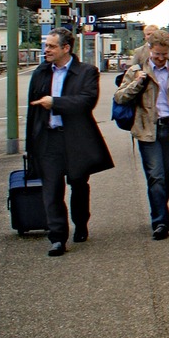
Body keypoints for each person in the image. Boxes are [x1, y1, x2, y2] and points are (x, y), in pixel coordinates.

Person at [25, 27, 114, 256]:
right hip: (48, 140)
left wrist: (55, 102)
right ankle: (57, 238)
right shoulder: (41, 73)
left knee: (78, 184)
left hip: (75, 139)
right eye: (46, 46)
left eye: (51, 46)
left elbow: (86, 101)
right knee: (51, 189)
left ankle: (81, 222)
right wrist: (31, 145)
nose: (46, 50)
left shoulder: (87, 72)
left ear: (66, 48)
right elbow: (32, 112)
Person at [114, 29, 169, 240]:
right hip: (147, 129)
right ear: (149, 50)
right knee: (155, 176)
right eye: (156, 54)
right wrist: (138, 82)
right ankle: (160, 221)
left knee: (168, 176)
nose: (160, 59)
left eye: (164, 55)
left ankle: (160, 209)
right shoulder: (136, 71)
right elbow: (120, 97)